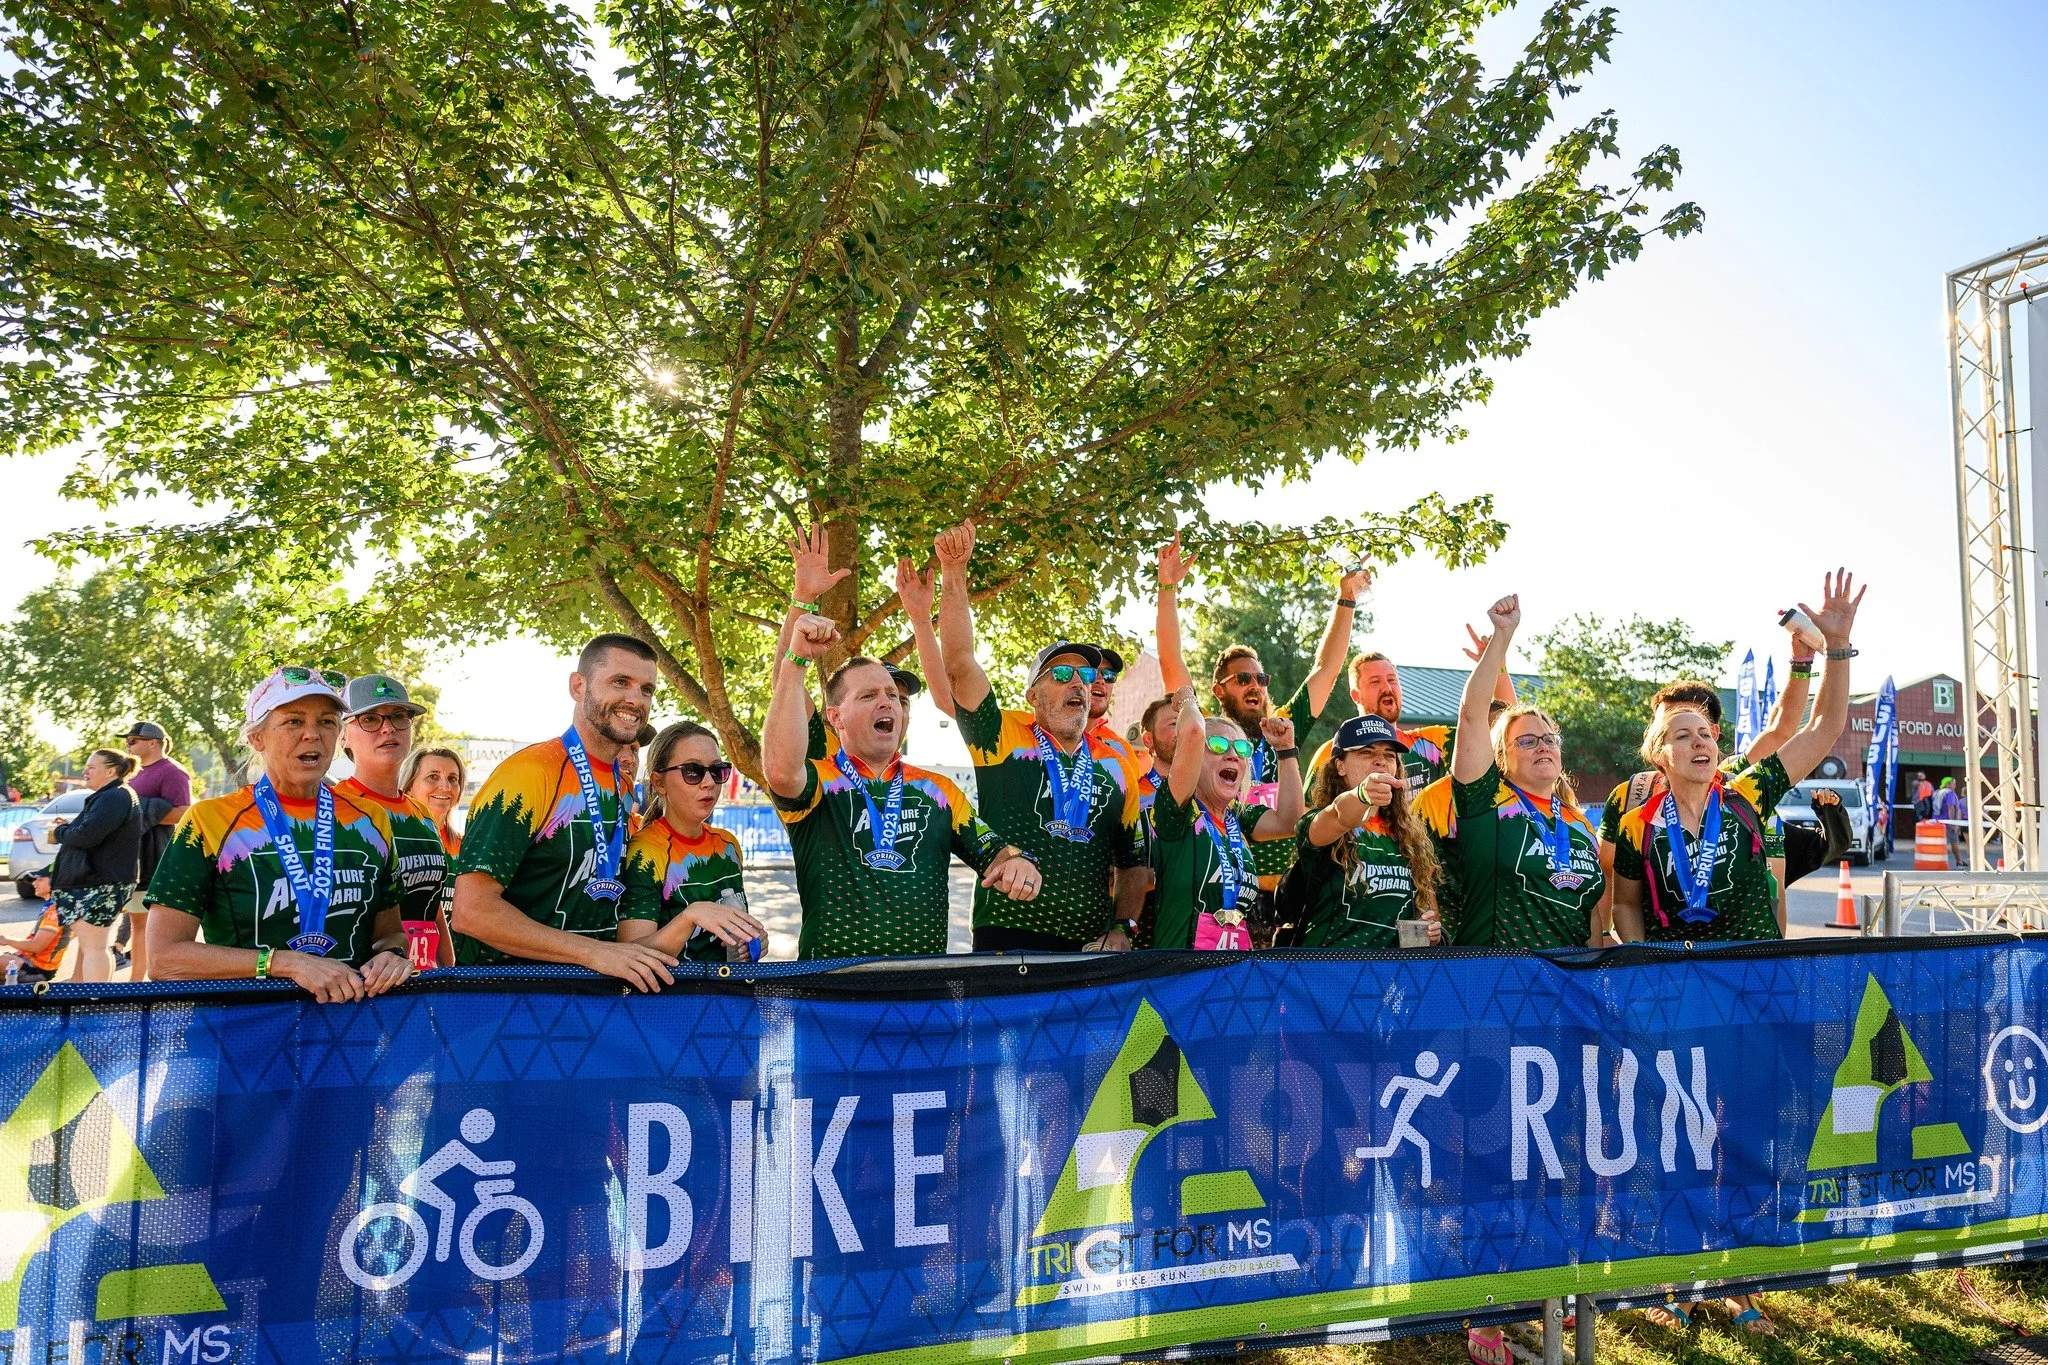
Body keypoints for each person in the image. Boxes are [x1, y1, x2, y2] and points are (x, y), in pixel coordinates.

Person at [761, 537, 1042, 957]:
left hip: (921, 999)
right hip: (831, 998)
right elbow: (783, 743)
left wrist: (1017, 864)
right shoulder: (819, 777)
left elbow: (996, 854)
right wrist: (801, 607)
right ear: (835, 718)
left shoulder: (939, 791)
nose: (888, 701)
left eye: (894, 697)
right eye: (869, 696)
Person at [1609, 572, 1861, 947]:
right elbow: (1624, 904)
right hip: (1678, 983)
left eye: (1705, 734)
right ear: (1659, 755)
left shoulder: (1747, 789)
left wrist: (1837, 646)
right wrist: (1644, 963)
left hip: (1754, 976)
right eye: (1682, 735)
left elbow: (1822, 728)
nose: (1701, 742)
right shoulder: (1636, 822)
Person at [934, 521, 1144, 951]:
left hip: (1091, 951)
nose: (1079, 684)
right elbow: (958, 664)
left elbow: (1134, 862)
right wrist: (954, 573)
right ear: (1033, 694)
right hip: (1006, 942)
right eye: (1062, 674)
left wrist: (1123, 928)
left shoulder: (1117, 764)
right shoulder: (1003, 735)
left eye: (1085, 675)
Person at [147, 668, 411, 1001]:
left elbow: (390, 934)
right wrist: (283, 963)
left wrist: (392, 956)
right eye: (294, 722)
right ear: (257, 738)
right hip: (244, 1032)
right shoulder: (207, 820)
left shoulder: (371, 819)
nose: (312, 735)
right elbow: (164, 959)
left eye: (327, 722)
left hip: (349, 1033)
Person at [448, 635, 679, 991]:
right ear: (578, 685)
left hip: (585, 1001)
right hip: (504, 1003)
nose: (636, 699)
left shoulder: (620, 784)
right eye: (620, 682)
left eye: (647, 689)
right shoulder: (529, 773)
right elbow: (471, 912)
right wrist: (593, 953)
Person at [1152, 535, 1368, 911]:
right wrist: (1167, 587)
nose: (1256, 685)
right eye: (1243, 679)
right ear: (1219, 691)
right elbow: (1172, 663)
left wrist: (1346, 598)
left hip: (1291, 897)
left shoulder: (1281, 726)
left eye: (1261, 679)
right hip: (1224, 895)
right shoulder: (1205, 733)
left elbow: (1326, 669)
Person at [1596, 612, 1819, 936]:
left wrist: (1800, 663)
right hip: (1664, 961)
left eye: (1697, 726)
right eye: (1671, 724)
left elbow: (1782, 729)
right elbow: (1608, 875)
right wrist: (1604, 939)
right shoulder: (1631, 794)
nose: (1688, 733)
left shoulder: (1734, 783)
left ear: (1713, 732)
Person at [1443, 596, 1604, 949]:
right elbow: (1471, 714)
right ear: (1500, 757)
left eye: (1549, 739)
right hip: (1496, 985)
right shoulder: (1484, 803)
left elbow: (1589, 913)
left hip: (1568, 987)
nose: (1543, 746)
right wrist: (1502, 638)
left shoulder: (1580, 824)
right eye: (1528, 741)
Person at [1148, 682, 1302, 950]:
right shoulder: (1178, 810)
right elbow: (1194, 731)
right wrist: (1186, 700)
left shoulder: (1238, 817)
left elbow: (1289, 820)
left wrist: (1285, 750)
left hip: (1231, 973)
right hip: (1180, 975)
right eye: (1217, 745)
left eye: (1241, 749)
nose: (1232, 755)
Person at [620, 721, 767, 962]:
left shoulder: (728, 845)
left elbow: (735, 938)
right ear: (658, 782)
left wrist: (755, 940)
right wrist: (690, 918)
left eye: (717, 770)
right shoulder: (645, 851)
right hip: (675, 997)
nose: (709, 782)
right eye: (693, 771)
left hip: (730, 994)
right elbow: (631, 955)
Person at [1295, 716, 1444, 949]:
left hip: (1391, 977)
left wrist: (1431, 932)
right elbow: (1338, 814)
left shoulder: (1410, 836)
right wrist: (1362, 795)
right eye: (1366, 752)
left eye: (1389, 755)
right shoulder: (1318, 821)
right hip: (1327, 973)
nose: (1380, 761)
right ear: (1340, 766)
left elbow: (1427, 911)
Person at [334, 675, 450, 968]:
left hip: (424, 988)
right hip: (363, 986)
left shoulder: (423, 815)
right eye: (370, 719)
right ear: (342, 735)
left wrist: (450, 975)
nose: (388, 728)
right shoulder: (332, 811)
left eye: (399, 717)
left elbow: (433, 909)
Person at [36, 748, 143, 982]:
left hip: (99, 883)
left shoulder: (114, 796)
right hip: (101, 881)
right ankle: (97, 1000)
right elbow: (90, 831)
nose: (85, 771)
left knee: (95, 948)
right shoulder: (113, 795)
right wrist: (68, 828)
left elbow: (87, 836)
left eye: (91, 766)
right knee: (98, 946)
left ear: (111, 771)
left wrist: (60, 831)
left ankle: (94, 1004)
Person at [120, 720, 192, 982]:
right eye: (127, 740)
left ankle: (137, 983)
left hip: (152, 857)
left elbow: (184, 812)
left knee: (144, 925)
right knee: (129, 922)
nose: (128, 744)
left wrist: (138, 813)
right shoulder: (132, 772)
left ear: (153, 743)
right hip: (126, 857)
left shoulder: (172, 772)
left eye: (133, 740)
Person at [401, 745, 466, 967]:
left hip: (456, 972)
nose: (445, 786)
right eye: (433, 777)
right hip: (405, 970)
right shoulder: (394, 841)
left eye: (453, 778)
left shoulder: (466, 847)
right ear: (409, 786)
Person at [0, 898, 71, 984]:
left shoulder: (55, 913)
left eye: (40, 882)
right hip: (28, 960)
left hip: (38, 969)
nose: (34, 883)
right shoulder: (54, 906)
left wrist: (6, 940)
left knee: (4, 961)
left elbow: (36, 946)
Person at [1936, 777, 1967, 866]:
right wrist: (1953, 822)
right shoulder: (1950, 793)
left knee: (1939, 843)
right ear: (1948, 784)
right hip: (1948, 822)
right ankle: (1959, 861)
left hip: (1937, 821)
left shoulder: (1937, 792)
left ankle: (1938, 861)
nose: (1955, 786)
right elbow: (1951, 807)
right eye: (1953, 783)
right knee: (1954, 842)